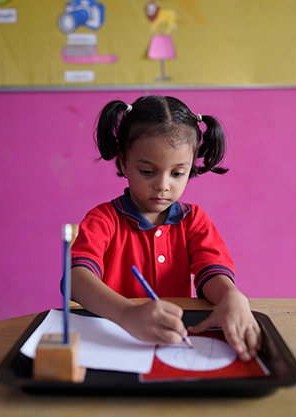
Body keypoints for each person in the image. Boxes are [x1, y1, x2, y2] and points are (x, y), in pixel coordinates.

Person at [68, 95, 261, 362]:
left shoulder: (194, 220)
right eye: (147, 171)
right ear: (123, 162)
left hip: (172, 341)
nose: (162, 185)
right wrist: (127, 314)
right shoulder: (103, 219)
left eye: (177, 173)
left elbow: (211, 272)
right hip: (112, 341)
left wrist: (232, 297)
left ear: (191, 166)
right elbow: (75, 280)